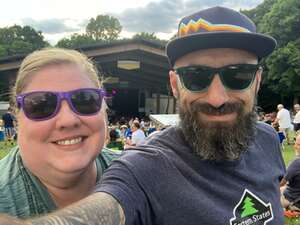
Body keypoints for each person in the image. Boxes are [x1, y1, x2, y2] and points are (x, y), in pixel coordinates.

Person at [0, 6, 286, 225]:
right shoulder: (143, 167)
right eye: (195, 77)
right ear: (175, 84)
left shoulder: (268, 139)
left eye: (238, 76)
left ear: (258, 80)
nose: (217, 97)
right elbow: (109, 205)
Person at [0, 48, 120, 218]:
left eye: (85, 100)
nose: (68, 120)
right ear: (16, 117)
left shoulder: (140, 176)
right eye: (41, 106)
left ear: (104, 110)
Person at [280, 134, 300, 211]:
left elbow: (281, 182)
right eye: (296, 143)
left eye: (299, 144)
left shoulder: (296, 163)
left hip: (292, 201)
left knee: (266, 194)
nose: (295, 146)